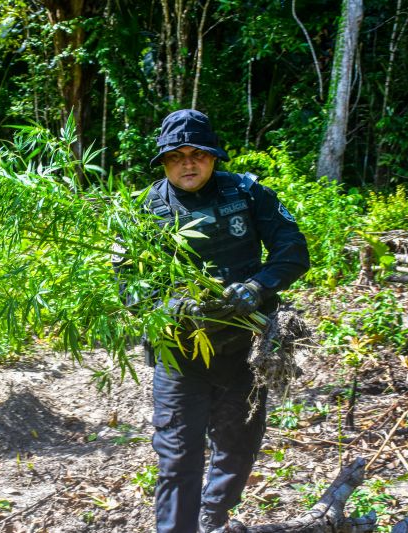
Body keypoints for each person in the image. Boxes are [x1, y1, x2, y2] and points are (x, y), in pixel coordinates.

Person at [135, 109, 310, 533]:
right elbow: (130, 282)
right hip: (179, 354)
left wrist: (257, 287)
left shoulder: (248, 194)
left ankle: (214, 516)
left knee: (239, 444)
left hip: (244, 351)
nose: (188, 164)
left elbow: (293, 251)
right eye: (177, 156)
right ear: (163, 162)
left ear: (215, 158)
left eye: (198, 154)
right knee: (177, 455)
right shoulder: (146, 210)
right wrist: (169, 305)